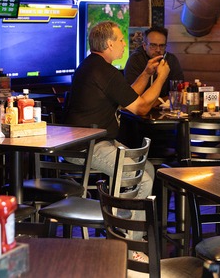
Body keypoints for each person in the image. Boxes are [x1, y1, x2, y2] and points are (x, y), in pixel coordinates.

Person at [65, 21, 170, 200]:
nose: (124, 44)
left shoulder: (93, 65)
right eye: (121, 40)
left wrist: (146, 73)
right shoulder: (104, 72)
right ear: (109, 44)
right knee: (142, 179)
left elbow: (128, 98)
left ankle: (123, 218)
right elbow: (141, 108)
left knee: (148, 169)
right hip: (87, 147)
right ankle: (125, 226)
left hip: (92, 142)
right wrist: (161, 78)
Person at [123, 26, 184, 98]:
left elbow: (178, 92)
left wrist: (159, 101)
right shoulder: (135, 60)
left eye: (162, 46)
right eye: (153, 45)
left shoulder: (171, 60)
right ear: (144, 46)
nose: (158, 50)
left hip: (164, 107)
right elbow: (130, 96)